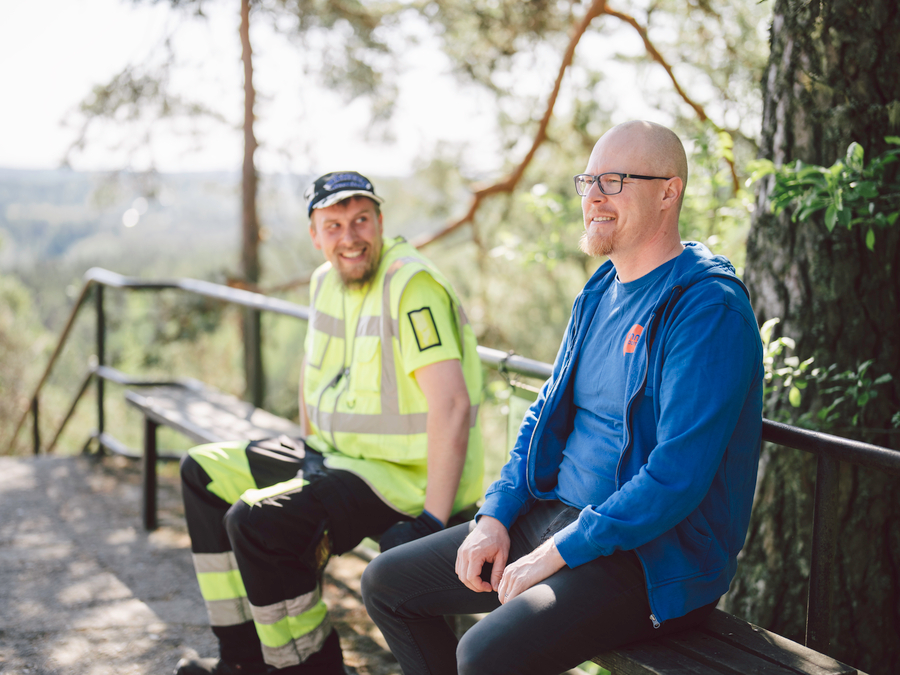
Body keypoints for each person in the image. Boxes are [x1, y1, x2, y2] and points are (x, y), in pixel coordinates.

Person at [360, 121, 764, 675]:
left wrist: (557, 551)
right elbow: (542, 413)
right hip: (558, 517)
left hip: (647, 557)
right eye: (589, 180)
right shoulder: (599, 291)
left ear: (668, 192)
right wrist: (495, 516)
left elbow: (677, 476)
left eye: (615, 180)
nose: (594, 196)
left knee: (483, 652)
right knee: (387, 583)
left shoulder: (706, 309)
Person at [175, 171, 484, 675]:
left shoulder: (410, 284)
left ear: (380, 223)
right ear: (315, 236)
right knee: (201, 472)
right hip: (334, 457)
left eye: (361, 220)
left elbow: (452, 406)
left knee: (257, 520)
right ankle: (241, 663)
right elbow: (313, 375)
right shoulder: (326, 282)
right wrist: (307, 450)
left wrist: (429, 522)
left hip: (402, 480)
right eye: (334, 225)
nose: (350, 236)